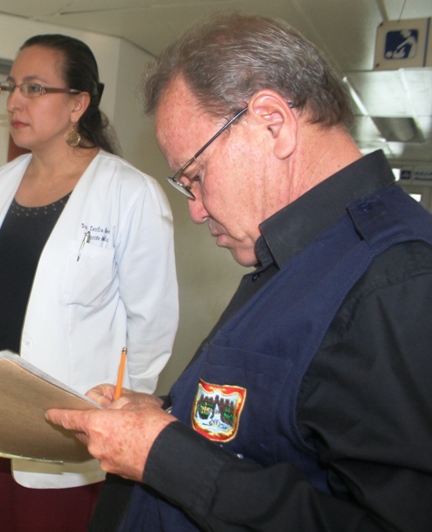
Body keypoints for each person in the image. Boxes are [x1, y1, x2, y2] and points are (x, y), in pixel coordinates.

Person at [46, 13, 432, 531]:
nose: (196, 210)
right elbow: (280, 426)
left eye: (196, 175)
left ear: (272, 122)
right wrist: (165, 413)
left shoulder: (398, 279)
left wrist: (163, 454)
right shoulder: (295, 256)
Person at [0, 34, 179, 531]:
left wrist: (124, 416)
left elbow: (152, 321)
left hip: (68, 426)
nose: (15, 101)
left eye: (34, 88)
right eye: (12, 86)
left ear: (78, 104)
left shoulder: (130, 193)